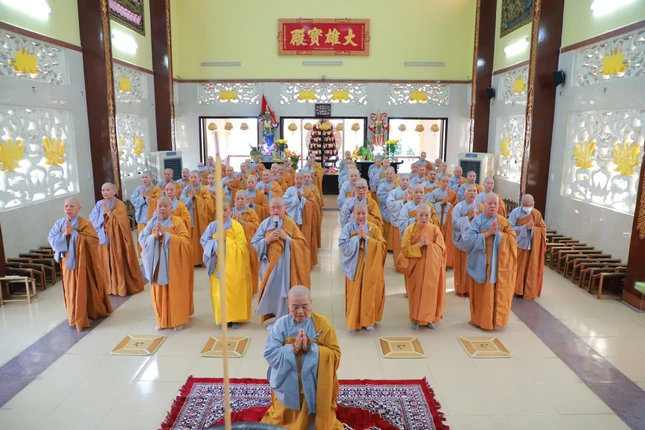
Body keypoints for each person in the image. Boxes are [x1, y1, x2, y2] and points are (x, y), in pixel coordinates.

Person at [261, 286, 343, 429]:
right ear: (288, 304)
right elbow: (270, 354)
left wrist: (311, 349)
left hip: (314, 384)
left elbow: (335, 355)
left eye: (305, 306)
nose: (300, 312)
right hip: (287, 382)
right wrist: (293, 349)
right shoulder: (280, 325)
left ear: (311, 303)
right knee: (281, 418)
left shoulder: (322, 324)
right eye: (295, 307)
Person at [48, 198, 113, 332]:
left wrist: (74, 233)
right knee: (71, 289)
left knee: (85, 287)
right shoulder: (59, 223)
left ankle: (90, 312)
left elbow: (93, 240)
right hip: (68, 264)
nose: (68, 209)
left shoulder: (85, 223)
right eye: (66, 206)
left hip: (83, 262)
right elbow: (52, 240)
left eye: (72, 206)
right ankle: (75, 315)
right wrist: (65, 234)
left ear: (79, 208)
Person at [252, 197, 311, 325]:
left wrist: (287, 238)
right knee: (272, 291)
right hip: (269, 266)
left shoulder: (290, 224)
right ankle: (276, 318)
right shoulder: (265, 224)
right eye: (273, 208)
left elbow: (302, 244)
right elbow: (254, 243)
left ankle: (284, 318)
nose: (276, 211)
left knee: (285, 291)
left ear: (285, 209)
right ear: (269, 209)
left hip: (286, 266)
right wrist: (267, 240)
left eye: (279, 208)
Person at [463, 193, 517, 330]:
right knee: (480, 294)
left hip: (498, 263)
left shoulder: (502, 221)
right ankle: (478, 320)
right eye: (490, 203)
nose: (493, 206)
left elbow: (512, 238)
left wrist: (499, 235)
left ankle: (495, 320)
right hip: (481, 262)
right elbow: (468, 240)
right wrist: (487, 234)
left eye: (495, 204)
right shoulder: (477, 221)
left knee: (496, 293)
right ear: (484, 204)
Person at [139, 197, 194, 331]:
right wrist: (155, 237)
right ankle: (161, 320)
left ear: (171, 208)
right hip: (157, 264)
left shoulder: (178, 222)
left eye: (165, 206)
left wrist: (167, 235)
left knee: (175, 291)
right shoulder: (152, 222)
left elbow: (186, 241)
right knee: (159, 291)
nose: (162, 209)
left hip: (174, 264)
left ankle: (177, 320)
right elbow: (142, 238)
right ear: (156, 208)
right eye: (160, 206)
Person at [201, 198, 252, 328]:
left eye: (225, 210)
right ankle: (222, 319)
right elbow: (204, 242)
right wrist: (216, 242)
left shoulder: (236, 226)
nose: (222, 213)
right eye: (220, 210)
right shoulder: (212, 226)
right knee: (219, 294)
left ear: (230, 210)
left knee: (234, 292)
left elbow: (242, 247)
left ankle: (235, 319)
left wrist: (226, 241)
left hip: (234, 266)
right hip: (218, 265)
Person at [397, 203, 446, 330]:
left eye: (426, 215)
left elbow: (442, 249)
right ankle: (414, 319)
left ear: (430, 216)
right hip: (415, 267)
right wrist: (419, 245)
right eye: (421, 215)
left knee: (430, 292)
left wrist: (429, 244)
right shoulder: (410, 230)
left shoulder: (435, 230)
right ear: (416, 216)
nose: (424, 218)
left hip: (431, 268)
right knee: (415, 293)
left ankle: (428, 319)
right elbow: (404, 249)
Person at [89, 182, 144, 297]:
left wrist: (109, 212)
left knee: (116, 261)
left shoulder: (119, 204)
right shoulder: (99, 204)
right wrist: (102, 214)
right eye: (103, 190)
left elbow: (122, 223)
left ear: (115, 191)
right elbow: (92, 220)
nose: (105, 192)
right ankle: (108, 287)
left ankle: (119, 287)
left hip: (117, 239)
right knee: (105, 262)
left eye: (108, 190)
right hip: (103, 238)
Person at [338, 203, 387, 332]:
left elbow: (382, 246)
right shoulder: (348, 228)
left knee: (368, 293)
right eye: (358, 213)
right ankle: (353, 321)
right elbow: (342, 244)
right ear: (353, 214)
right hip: (354, 267)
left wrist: (367, 239)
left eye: (363, 213)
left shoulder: (374, 229)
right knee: (354, 293)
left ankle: (368, 321)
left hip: (370, 267)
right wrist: (357, 239)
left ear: (367, 214)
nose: (361, 216)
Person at [508, 194, 547, 300]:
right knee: (516, 269)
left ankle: (527, 291)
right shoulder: (515, 213)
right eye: (526, 205)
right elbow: (509, 229)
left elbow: (542, 229)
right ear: (521, 203)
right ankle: (515, 290)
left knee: (529, 269)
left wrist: (533, 229)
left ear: (534, 203)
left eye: (530, 205)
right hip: (518, 246)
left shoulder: (536, 214)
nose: (528, 207)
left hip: (531, 247)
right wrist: (525, 227)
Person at [452, 184, 484, 297]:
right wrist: (468, 218)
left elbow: (484, 222)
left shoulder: (480, 207)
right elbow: (454, 224)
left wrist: (475, 218)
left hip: (475, 241)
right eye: (469, 191)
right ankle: (461, 289)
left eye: (474, 191)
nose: (472, 193)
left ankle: (472, 289)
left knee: (474, 264)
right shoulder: (458, 207)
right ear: (464, 193)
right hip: (461, 241)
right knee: (461, 266)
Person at [180, 170, 215, 266]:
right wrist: (191, 198)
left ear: (199, 178)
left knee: (201, 237)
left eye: (195, 177)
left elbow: (209, 205)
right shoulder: (186, 189)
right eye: (191, 177)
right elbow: (182, 202)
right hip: (190, 216)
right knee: (190, 238)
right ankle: (192, 261)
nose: (193, 179)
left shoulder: (204, 189)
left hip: (201, 218)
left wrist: (197, 197)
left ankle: (202, 260)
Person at [284, 172, 319, 266]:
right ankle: (291, 260)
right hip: (291, 219)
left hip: (304, 220)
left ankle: (304, 261)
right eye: (297, 178)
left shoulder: (307, 191)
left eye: (301, 179)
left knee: (304, 238)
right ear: (294, 180)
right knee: (292, 239)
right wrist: (296, 198)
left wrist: (302, 199)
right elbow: (284, 201)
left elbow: (313, 204)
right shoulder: (289, 190)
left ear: (303, 180)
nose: (299, 180)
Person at [426, 175, 459, 269]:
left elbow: (456, 206)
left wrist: (448, 205)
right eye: (443, 181)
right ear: (439, 182)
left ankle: (447, 262)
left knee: (447, 240)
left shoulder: (452, 193)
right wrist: (440, 204)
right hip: (437, 220)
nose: (445, 183)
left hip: (448, 222)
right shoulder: (434, 192)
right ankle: (436, 261)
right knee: (436, 240)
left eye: (447, 182)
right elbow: (430, 206)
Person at [232, 190, 261, 294]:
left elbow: (256, 226)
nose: (240, 201)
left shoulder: (251, 212)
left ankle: (251, 288)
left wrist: (243, 223)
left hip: (249, 243)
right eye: (238, 199)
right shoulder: (231, 212)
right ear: (234, 200)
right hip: (236, 244)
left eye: (242, 199)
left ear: (247, 200)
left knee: (251, 265)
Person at [130, 171, 162, 255]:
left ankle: (154, 255)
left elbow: (158, 202)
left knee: (152, 238)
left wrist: (147, 197)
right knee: (142, 238)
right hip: (141, 218)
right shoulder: (138, 189)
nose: (144, 179)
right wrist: (142, 197)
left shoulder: (156, 189)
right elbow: (133, 200)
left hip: (152, 219)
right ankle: (144, 257)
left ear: (152, 178)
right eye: (143, 177)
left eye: (146, 177)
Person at [387, 173, 412, 270]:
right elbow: (389, 205)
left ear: (409, 181)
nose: (405, 182)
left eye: (407, 180)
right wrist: (402, 201)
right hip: (397, 223)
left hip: (409, 223)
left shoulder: (412, 192)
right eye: (403, 180)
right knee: (398, 245)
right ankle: (399, 265)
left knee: (409, 244)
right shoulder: (393, 192)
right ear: (399, 181)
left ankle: (408, 264)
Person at [376, 166, 398, 251]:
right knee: (386, 228)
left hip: (395, 209)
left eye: (391, 173)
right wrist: (391, 193)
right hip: (385, 208)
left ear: (394, 174)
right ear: (385, 175)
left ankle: (394, 246)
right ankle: (386, 245)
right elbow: (380, 196)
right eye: (387, 174)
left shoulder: (398, 184)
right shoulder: (382, 185)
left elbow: (401, 195)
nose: (389, 175)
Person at [302, 171, 323, 250]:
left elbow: (317, 198)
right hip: (302, 212)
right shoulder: (299, 188)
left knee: (313, 228)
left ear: (311, 178)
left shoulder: (314, 188)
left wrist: (306, 197)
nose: (307, 179)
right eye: (305, 177)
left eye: (308, 177)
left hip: (313, 211)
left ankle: (313, 245)